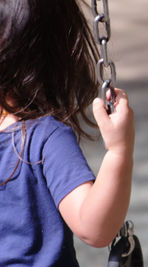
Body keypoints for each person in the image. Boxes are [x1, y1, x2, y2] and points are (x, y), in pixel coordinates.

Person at [0, 0, 135, 266]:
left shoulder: (41, 140)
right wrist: (120, 151)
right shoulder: (40, 137)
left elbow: (95, 227)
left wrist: (119, 153)